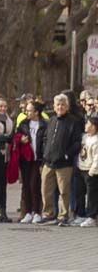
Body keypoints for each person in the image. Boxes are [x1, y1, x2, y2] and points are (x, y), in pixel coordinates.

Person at [41, 94, 83, 226]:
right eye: (58, 105)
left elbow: (77, 142)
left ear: (67, 107)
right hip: (49, 162)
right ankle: (48, 214)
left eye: (63, 105)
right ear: (54, 106)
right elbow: (46, 138)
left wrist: (67, 154)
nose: (60, 107)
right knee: (46, 190)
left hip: (64, 164)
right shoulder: (51, 120)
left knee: (64, 191)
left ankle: (63, 215)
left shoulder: (73, 121)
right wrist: (45, 154)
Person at [17, 100, 45, 222]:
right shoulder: (23, 124)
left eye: (29, 110)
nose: (26, 112)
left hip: (37, 159)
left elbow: (45, 142)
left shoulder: (44, 125)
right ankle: (27, 212)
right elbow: (16, 137)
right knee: (26, 185)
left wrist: (43, 159)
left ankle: (37, 211)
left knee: (35, 184)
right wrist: (20, 139)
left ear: (37, 112)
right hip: (25, 159)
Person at [75, 114, 98, 227]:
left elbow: (97, 158)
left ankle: (92, 216)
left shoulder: (96, 140)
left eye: (88, 123)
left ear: (94, 126)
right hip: (81, 168)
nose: (86, 125)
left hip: (91, 171)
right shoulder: (84, 137)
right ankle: (81, 215)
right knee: (80, 193)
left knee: (91, 195)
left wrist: (92, 171)